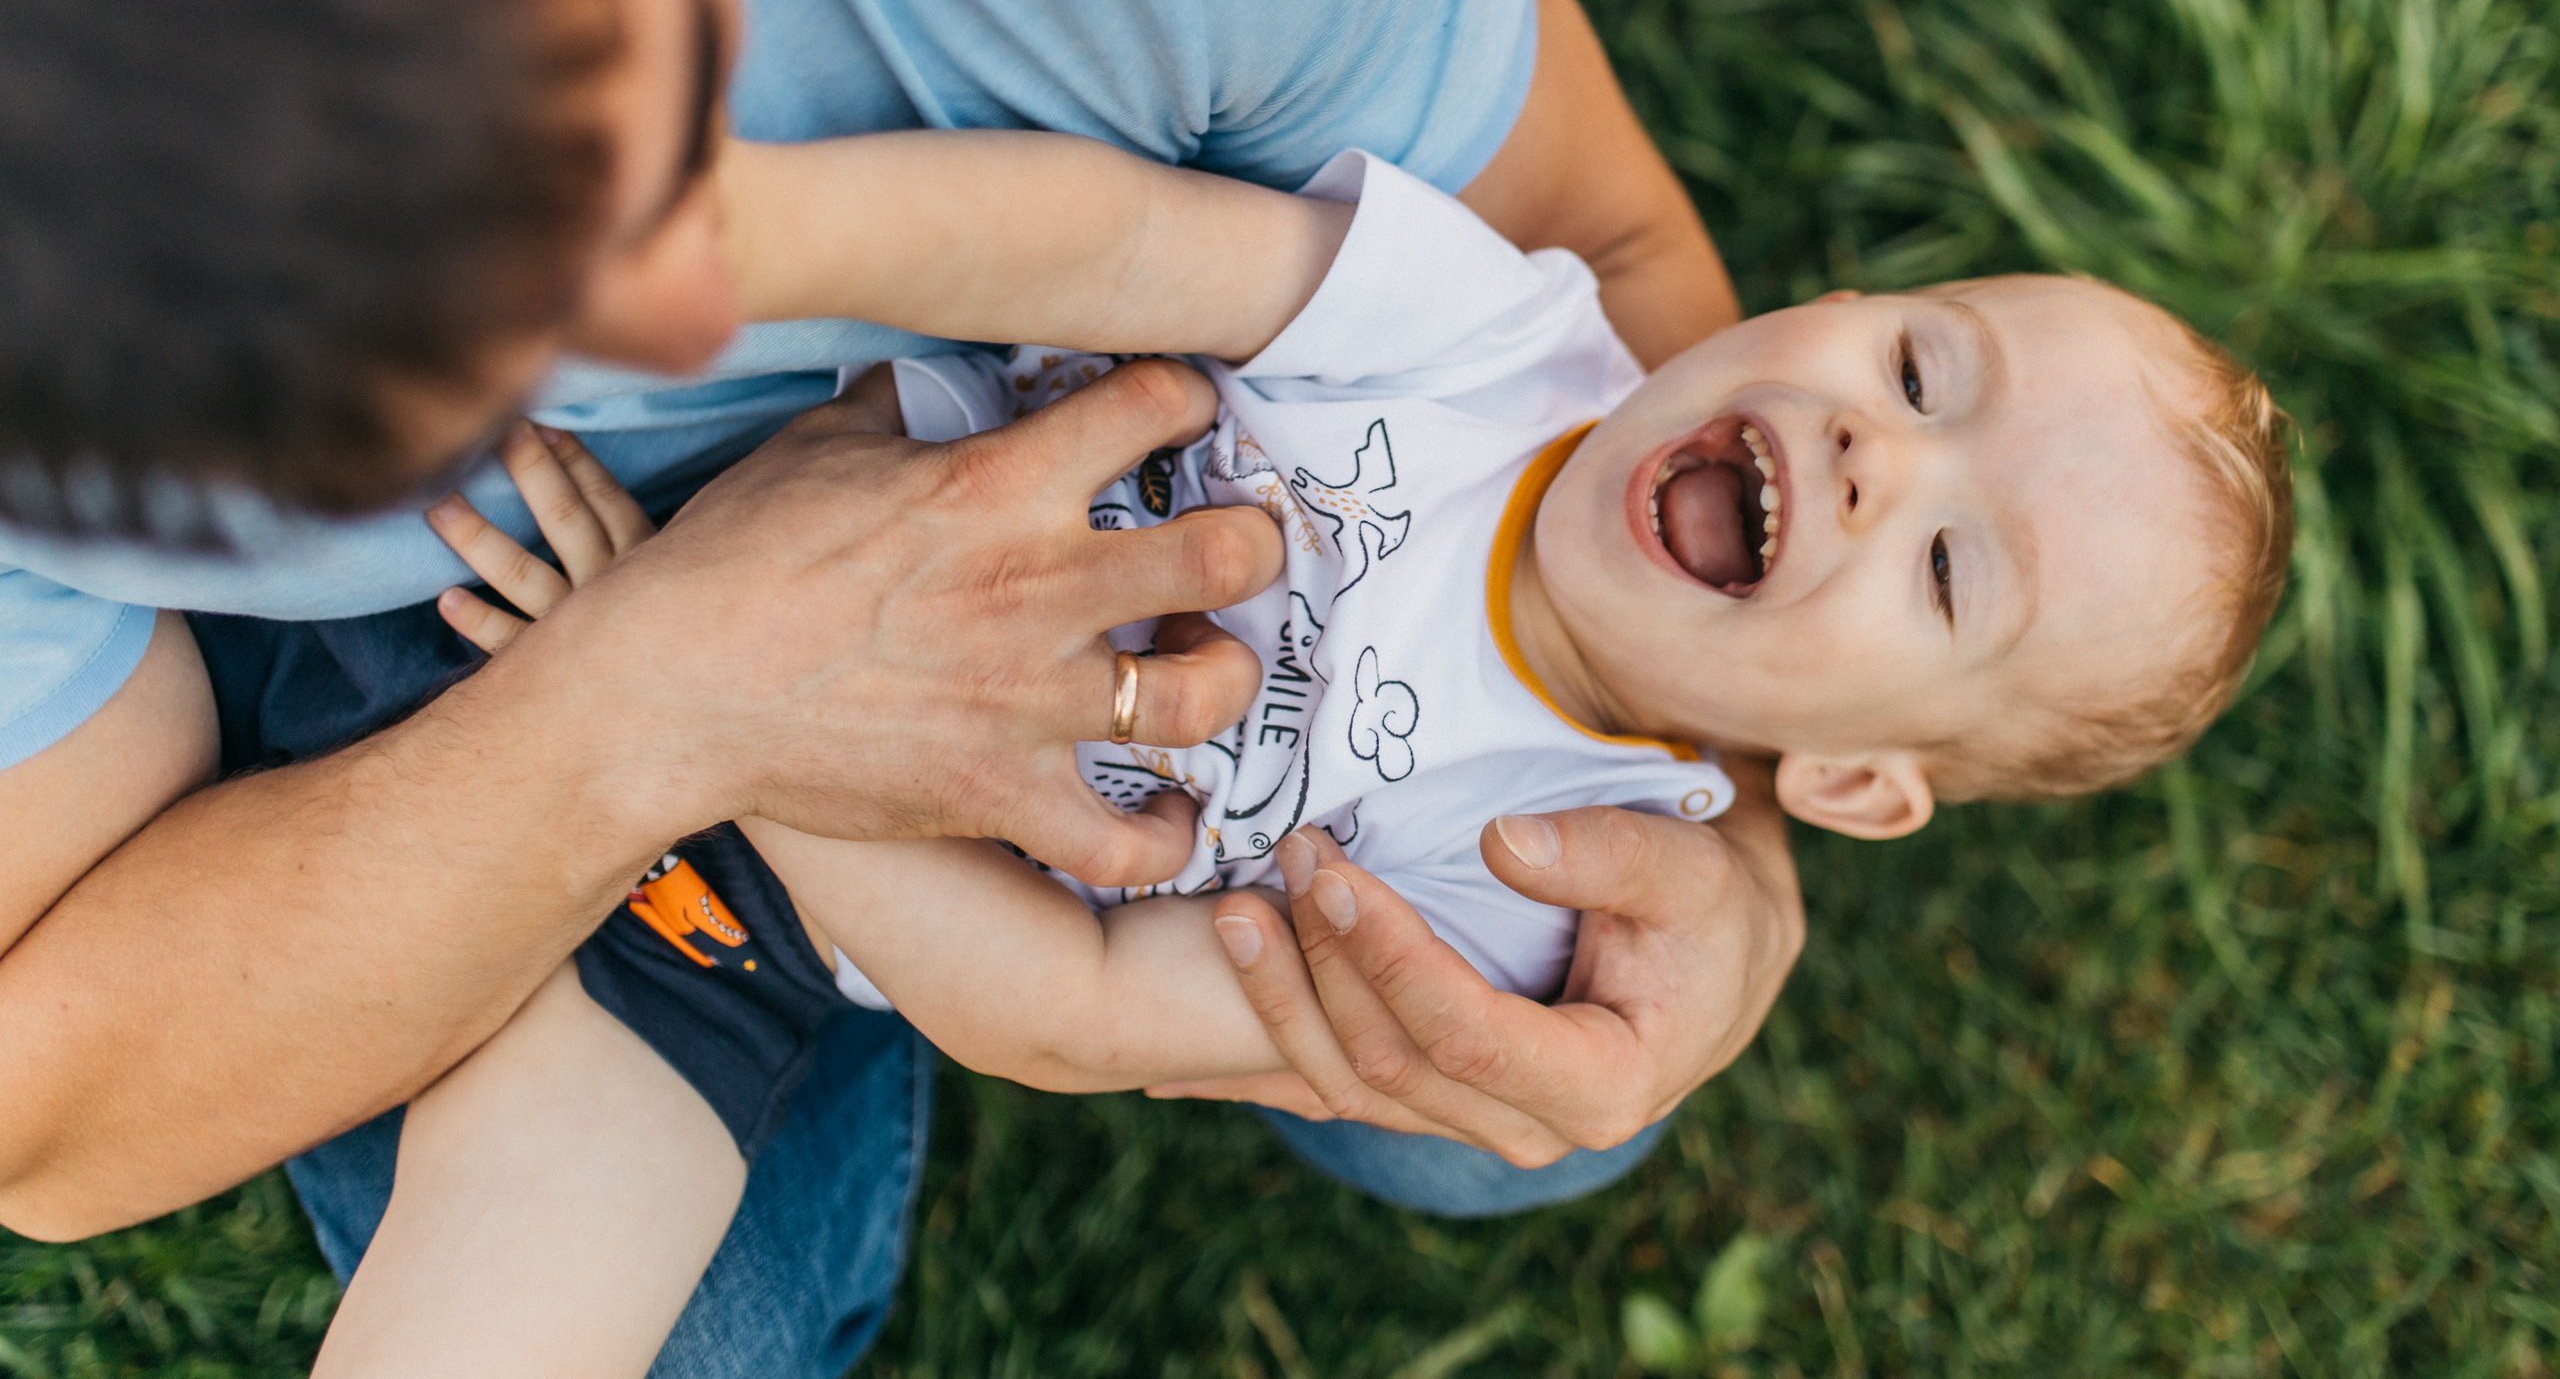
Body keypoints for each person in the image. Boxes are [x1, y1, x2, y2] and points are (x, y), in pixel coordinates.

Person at [0, 0, 1801, 1369]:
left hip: (852, 877)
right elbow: (51, 1108)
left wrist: (1745, 872)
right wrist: (675, 694)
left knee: (1520, 1098)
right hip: (529, 701)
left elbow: (1573, 259)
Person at [311, 131, 2291, 1375]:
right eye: (1922, 367)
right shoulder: (1482, 338)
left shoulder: (1531, 898)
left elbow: (1075, 1006)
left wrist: (694, 700)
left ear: (1853, 789)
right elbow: (1100, 243)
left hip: (743, 916)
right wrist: (759, 222)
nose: (1879, 455)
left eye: (1950, 572)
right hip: (765, 489)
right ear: (1836, 304)